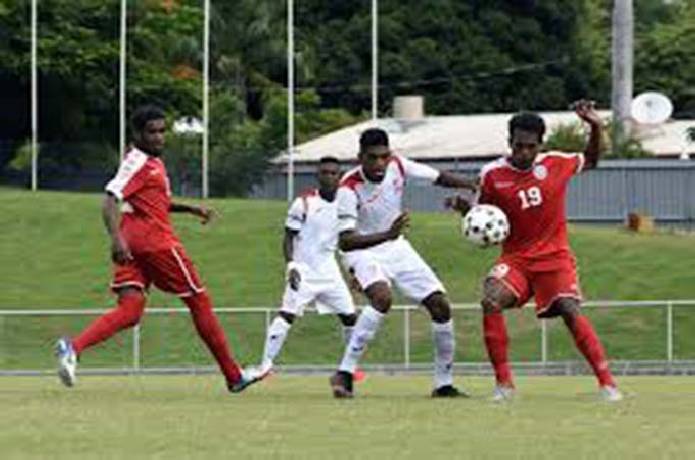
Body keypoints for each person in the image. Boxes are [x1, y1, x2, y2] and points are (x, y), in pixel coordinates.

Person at [55, 104, 254, 392]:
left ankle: (72, 348)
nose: (159, 137)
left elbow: (156, 202)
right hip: (155, 243)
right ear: (137, 134)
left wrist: (191, 208)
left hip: (133, 242)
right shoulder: (137, 162)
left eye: (162, 131)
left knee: (131, 310)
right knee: (199, 300)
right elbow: (110, 199)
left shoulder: (152, 163)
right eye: (152, 132)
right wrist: (115, 238)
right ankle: (234, 376)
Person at [448, 100, 622, 402]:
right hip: (515, 259)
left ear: (540, 145)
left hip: (554, 258)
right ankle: (504, 386)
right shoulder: (492, 174)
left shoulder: (556, 163)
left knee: (569, 309)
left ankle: (608, 384)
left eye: (530, 146)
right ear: (509, 143)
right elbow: (484, 219)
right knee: (490, 300)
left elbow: (592, 159)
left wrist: (595, 126)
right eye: (518, 146)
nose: (523, 153)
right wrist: (466, 210)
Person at [329, 127, 477, 398]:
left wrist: (470, 184)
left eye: (384, 157)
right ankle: (345, 372)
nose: (379, 164)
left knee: (440, 306)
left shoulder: (398, 165)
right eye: (372, 158)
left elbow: (437, 177)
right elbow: (346, 241)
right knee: (382, 299)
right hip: (363, 250)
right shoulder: (348, 188)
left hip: (395, 246)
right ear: (360, 157)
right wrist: (387, 234)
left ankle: (443, 383)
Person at [245, 157, 359, 383]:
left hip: (330, 271)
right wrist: (292, 266)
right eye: (324, 173)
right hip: (304, 271)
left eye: (333, 173)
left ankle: (349, 368)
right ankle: (265, 365)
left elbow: (347, 241)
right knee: (287, 315)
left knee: (350, 318)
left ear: (340, 177)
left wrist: (355, 272)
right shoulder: (303, 203)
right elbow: (288, 237)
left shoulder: (346, 204)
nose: (329, 177)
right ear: (318, 176)